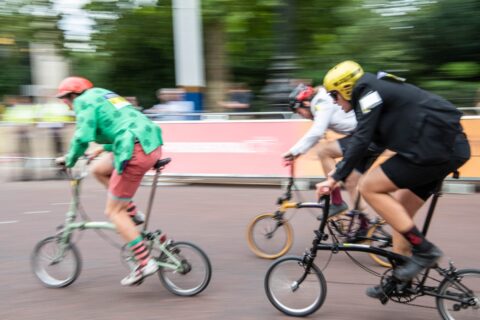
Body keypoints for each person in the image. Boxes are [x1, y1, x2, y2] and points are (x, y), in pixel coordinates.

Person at [316, 61, 470, 299]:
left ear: (346, 88)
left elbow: (363, 138)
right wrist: (344, 171)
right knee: (398, 214)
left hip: (434, 148)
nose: (334, 101)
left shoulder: (367, 91)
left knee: (369, 187)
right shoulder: (373, 92)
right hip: (440, 149)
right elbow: (371, 141)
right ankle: (402, 278)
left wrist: (335, 177)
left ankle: (425, 250)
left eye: (334, 94)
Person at [54, 77, 164, 286]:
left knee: (113, 212)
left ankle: (144, 262)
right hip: (149, 143)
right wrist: (103, 148)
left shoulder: (83, 101)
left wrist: (69, 159)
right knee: (99, 169)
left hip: (133, 149)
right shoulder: (102, 93)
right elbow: (122, 122)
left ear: (73, 94)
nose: (66, 104)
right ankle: (132, 212)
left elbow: (81, 136)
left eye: (65, 99)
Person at [283, 83, 381, 217]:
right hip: (365, 137)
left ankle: (336, 202)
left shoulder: (321, 102)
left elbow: (317, 131)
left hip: (367, 137)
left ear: (305, 103)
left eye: (299, 112)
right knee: (351, 182)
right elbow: (316, 135)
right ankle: (365, 226)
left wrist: (293, 151)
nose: (302, 116)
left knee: (324, 151)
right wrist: (297, 154)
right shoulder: (321, 103)